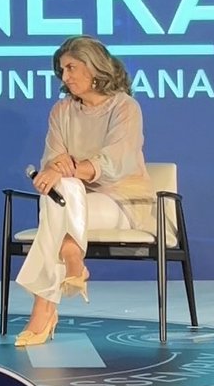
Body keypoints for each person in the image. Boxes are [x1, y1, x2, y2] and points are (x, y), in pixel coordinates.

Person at [14, 36, 155, 347]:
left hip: (123, 202)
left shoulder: (125, 107)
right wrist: (56, 169)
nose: (65, 77)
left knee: (62, 200)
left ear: (94, 67)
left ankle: (44, 307)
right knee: (66, 189)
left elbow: (117, 161)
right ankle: (72, 254)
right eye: (62, 70)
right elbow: (52, 160)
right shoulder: (61, 111)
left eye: (71, 68)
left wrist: (69, 166)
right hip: (73, 202)